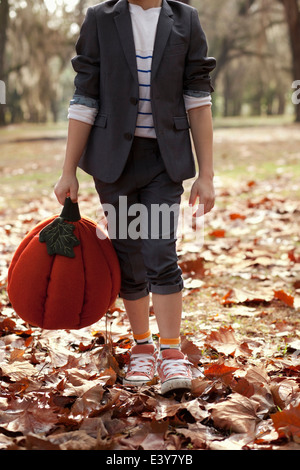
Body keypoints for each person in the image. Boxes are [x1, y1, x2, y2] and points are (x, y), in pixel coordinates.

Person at [54, 0, 216, 395]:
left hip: (165, 161)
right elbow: (85, 97)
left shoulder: (185, 20)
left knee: (160, 251)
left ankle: (171, 352)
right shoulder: (100, 19)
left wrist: (207, 173)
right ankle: (142, 346)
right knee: (129, 254)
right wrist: (67, 169)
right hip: (115, 163)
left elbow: (198, 99)